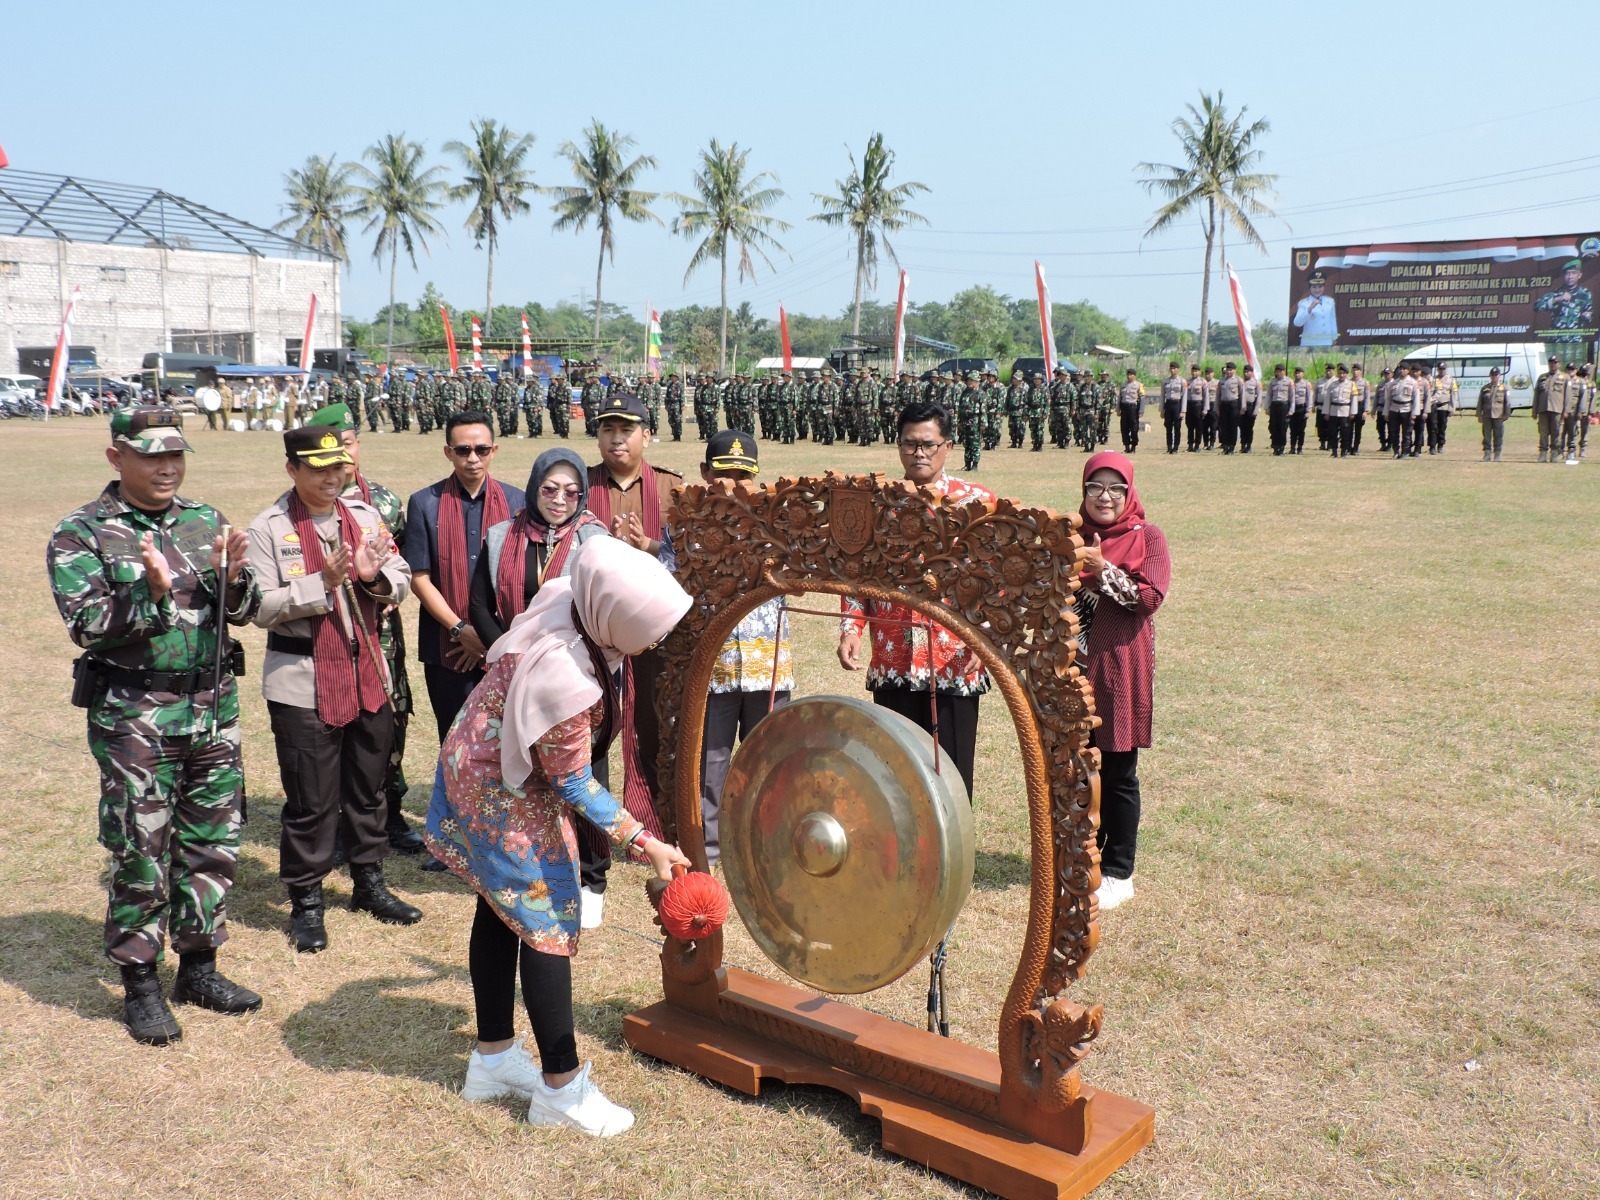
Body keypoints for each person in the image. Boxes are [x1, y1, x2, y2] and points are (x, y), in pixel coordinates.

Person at [424, 537, 693, 1136]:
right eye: (647, 631)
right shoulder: (567, 679)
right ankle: (560, 1090)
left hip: (478, 762)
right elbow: (572, 781)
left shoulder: (571, 601)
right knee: (548, 924)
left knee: (500, 909)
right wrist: (643, 841)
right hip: (501, 787)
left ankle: (492, 1060)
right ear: (612, 618)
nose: (654, 643)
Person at [48, 408, 262, 1044]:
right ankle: (140, 981)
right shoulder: (81, 532)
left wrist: (233, 579)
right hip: (137, 716)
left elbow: (244, 609)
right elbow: (86, 625)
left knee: (211, 841)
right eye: (151, 456)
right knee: (141, 850)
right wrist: (150, 593)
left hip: (213, 707)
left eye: (177, 456)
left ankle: (199, 967)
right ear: (117, 458)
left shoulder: (206, 521)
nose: (168, 467)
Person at [247, 426, 420, 953]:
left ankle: (369, 883)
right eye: (318, 467)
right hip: (302, 682)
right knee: (311, 801)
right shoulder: (269, 528)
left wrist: (371, 578)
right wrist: (319, 584)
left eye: (337, 466)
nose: (331, 476)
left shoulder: (363, 516)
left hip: (367, 671)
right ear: (291, 470)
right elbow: (258, 607)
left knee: (367, 789)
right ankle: (307, 901)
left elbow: (402, 576)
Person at [838, 400, 996, 799]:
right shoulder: (878, 504)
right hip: (893, 656)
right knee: (895, 771)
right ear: (898, 446)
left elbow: (996, 575)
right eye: (910, 444)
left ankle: (954, 857)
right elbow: (858, 575)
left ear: (948, 447)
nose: (919, 453)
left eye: (928, 444)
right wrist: (851, 628)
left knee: (953, 773)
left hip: (955, 660)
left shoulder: (977, 503)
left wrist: (987, 633)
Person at [404, 410, 526, 869]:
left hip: (504, 648)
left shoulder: (517, 502)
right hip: (447, 647)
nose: (472, 458)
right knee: (454, 742)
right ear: (448, 452)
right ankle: (453, 839)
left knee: (503, 745)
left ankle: (499, 836)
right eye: (462, 450)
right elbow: (419, 577)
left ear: (494, 450)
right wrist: (460, 628)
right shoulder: (424, 503)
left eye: (481, 449)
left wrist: (494, 640)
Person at [304, 403, 423, 855]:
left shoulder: (387, 503)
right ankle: (338, 821)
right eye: (332, 450)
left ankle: (390, 815)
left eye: (349, 444)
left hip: (383, 638)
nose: (343, 459)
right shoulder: (306, 505)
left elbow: (407, 566)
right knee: (335, 723)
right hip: (331, 635)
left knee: (390, 721)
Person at [1074, 452, 1171, 913]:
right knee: (1074, 767)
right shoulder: (1069, 534)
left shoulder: (1147, 537)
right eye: (1096, 487)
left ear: (1129, 493)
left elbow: (1148, 598)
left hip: (1118, 665)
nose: (1105, 497)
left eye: (1116, 489)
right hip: (1069, 667)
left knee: (1117, 769)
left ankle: (1117, 870)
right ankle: (1080, 857)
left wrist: (1100, 571)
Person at [695, 431, 792, 869]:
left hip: (766, 665)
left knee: (768, 759)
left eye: (743, 477)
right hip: (713, 669)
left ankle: (765, 845)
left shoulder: (777, 525)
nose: (733, 487)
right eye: (723, 476)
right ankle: (708, 849)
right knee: (711, 763)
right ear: (704, 474)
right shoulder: (686, 523)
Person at [468, 447, 609, 650]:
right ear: (535, 486)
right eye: (550, 489)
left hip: (577, 663)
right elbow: (479, 606)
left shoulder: (595, 540)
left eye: (571, 492)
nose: (559, 500)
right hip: (512, 660)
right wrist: (507, 654)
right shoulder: (500, 536)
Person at [1292, 270, 1338, 346]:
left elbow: (1332, 320)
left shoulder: (1330, 301)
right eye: (1314, 287)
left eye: (1320, 287)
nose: (1317, 290)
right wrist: (1309, 309)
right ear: (1310, 288)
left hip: (1327, 342)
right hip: (1310, 343)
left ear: (1324, 287)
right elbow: (1297, 323)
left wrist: (1334, 337)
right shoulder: (1304, 303)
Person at [1477, 366, 1509, 462]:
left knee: (1498, 435)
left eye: (1496, 375)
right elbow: (1480, 402)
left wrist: (1506, 414)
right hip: (1487, 415)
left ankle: (1497, 454)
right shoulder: (1485, 388)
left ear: (1499, 376)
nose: (1494, 377)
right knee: (1486, 436)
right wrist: (1479, 414)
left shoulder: (1504, 388)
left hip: (1498, 416)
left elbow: (1507, 402)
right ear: (1490, 376)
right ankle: (1487, 454)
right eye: (1492, 375)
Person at [1215, 361, 1243, 454]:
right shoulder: (1222, 381)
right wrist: (1217, 408)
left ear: (1235, 371)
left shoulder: (1238, 380)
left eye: (1231, 370)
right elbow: (1218, 395)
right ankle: (1225, 446)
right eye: (1228, 370)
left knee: (1232, 426)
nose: (1229, 371)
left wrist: (1242, 407)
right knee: (1224, 427)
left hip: (1234, 405)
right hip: (1224, 405)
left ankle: (1231, 447)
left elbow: (1242, 395)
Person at [1117, 368, 1145, 454]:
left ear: (1134, 376)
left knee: (1134, 428)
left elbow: (1142, 398)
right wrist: (1118, 409)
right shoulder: (1123, 385)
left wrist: (1141, 411)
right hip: (1124, 407)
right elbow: (1119, 398)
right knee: (1124, 428)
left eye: (1131, 375)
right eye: (1128, 375)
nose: (1129, 376)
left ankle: (1133, 446)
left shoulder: (1139, 385)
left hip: (1133, 408)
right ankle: (1126, 446)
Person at [1266, 364, 1292, 456]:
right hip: (1274, 406)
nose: (1278, 373)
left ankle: (1281, 447)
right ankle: (1275, 447)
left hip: (1283, 406)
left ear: (1283, 372)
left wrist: (1291, 410)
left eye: (1280, 371)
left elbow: (1292, 397)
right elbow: (1269, 395)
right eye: (1276, 371)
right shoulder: (1273, 382)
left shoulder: (1289, 382)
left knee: (1282, 428)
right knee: (1273, 427)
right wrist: (1267, 407)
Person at [1160, 361, 1185, 454]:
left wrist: (1183, 410)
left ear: (1178, 369)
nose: (1172, 370)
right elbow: (1162, 395)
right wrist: (1161, 409)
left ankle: (1176, 447)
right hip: (1168, 404)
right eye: (1171, 368)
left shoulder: (1182, 381)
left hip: (1177, 404)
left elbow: (1184, 396)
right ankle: (1169, 446)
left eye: (1174, 368)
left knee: (1177, 427)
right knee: (1168, 426)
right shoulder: (1165, 381)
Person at [1239, 364, 1261, 453]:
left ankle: (1249, 445)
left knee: (1249, 427)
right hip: (1241, 407)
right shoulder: (1241, 382)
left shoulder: (1256, 382)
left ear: (1252, 373)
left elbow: (1259, 397)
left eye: (1248, 372)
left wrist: (1256, 409)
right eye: (1244, 372)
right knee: (1242, 427)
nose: (1246, 374)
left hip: (1251, 406)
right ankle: (1243, 445)